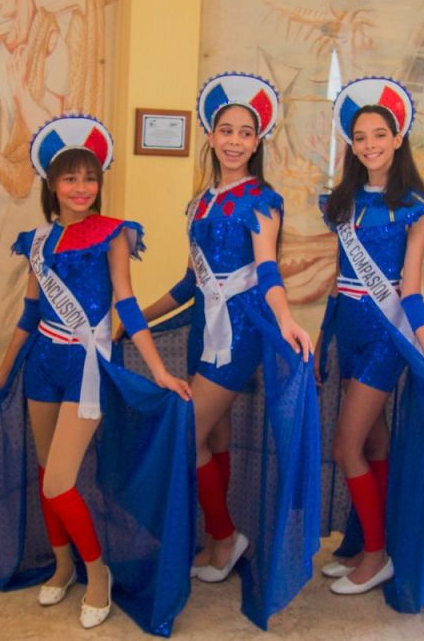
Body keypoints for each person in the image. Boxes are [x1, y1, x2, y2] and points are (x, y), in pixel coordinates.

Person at [0, 115, 195, 634]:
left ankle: (97, 572)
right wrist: (2, 373)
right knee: (47, 473)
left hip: (87, 367)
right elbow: (29, 315)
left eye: (90, 178)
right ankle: (62, 564)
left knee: (61, 481)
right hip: (42, 366)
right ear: (51, 184)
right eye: (70, 178)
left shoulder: (113, 234)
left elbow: (127, 304)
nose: (81, 188)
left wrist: (158, 370)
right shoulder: (38, 241)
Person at [131, 73, 321, 629]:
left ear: (257, 141)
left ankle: (223, 535)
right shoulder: (199, 204)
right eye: (226, 130)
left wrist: (285, 318)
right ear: (210, 136)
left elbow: (267, 270)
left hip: (237, 338)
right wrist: (138, 318)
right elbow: (191, 282)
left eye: (245, 132)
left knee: (185, 436)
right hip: (202, 330)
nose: (234, 140)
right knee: (212, 438)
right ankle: (222, 542)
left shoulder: (261, 200)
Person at [314, 77, 424, 602]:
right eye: (360, 137)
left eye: (380, 134)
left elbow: (411, 290)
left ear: (398, 139)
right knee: (374, 443)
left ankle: (377, 555)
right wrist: (323, 338)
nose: (370, 144)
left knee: (345, 446)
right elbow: (338, 282)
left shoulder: (416, 207)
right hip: (348, 334)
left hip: (384, 340)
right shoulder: (343, 201)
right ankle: (368, 543)